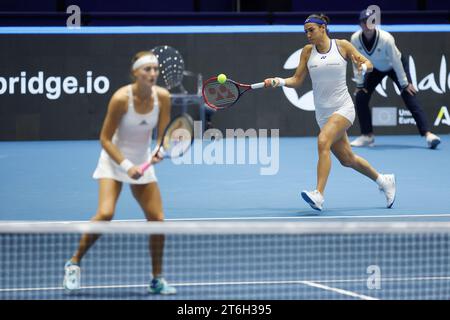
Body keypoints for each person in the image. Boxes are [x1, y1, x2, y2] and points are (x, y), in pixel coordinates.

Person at [63, 51, 176, 295]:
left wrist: (158, 152)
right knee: (105, 213)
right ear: (135, 72)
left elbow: (163, 134)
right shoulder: (121, 99)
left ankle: (156, 279)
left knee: (157, 220)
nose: (153, 74)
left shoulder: (163, 97)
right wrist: (127, 166)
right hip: (114, 160)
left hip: (142, 161)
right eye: (147, 69)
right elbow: (105, 138)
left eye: (155, 69)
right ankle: (74, 263)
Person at [264, 14, 396, 211]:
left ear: (323, 27)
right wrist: (279, 81)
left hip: (343, 108)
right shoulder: (307, 52)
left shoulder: (342, 46)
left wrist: (362, 65)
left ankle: (318, 194)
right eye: (306, 31)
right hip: (323, 114)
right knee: (347, 159)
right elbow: (297, 80)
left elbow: (368, 64)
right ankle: (384, 180)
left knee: (322, 141)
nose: (308, 35)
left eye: (311, 30)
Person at [350, 9, 441, 149]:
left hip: (394, 65)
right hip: (375, 68)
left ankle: (428, 135)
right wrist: (360, 83)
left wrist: (404, 83)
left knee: (409, 95)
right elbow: (357, 63)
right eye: (364, 22)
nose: (368, 25)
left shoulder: (386, 38)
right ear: (360, 24)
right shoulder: (355, 39)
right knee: (361, 96)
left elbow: (396, 61)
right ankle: (367, 136)